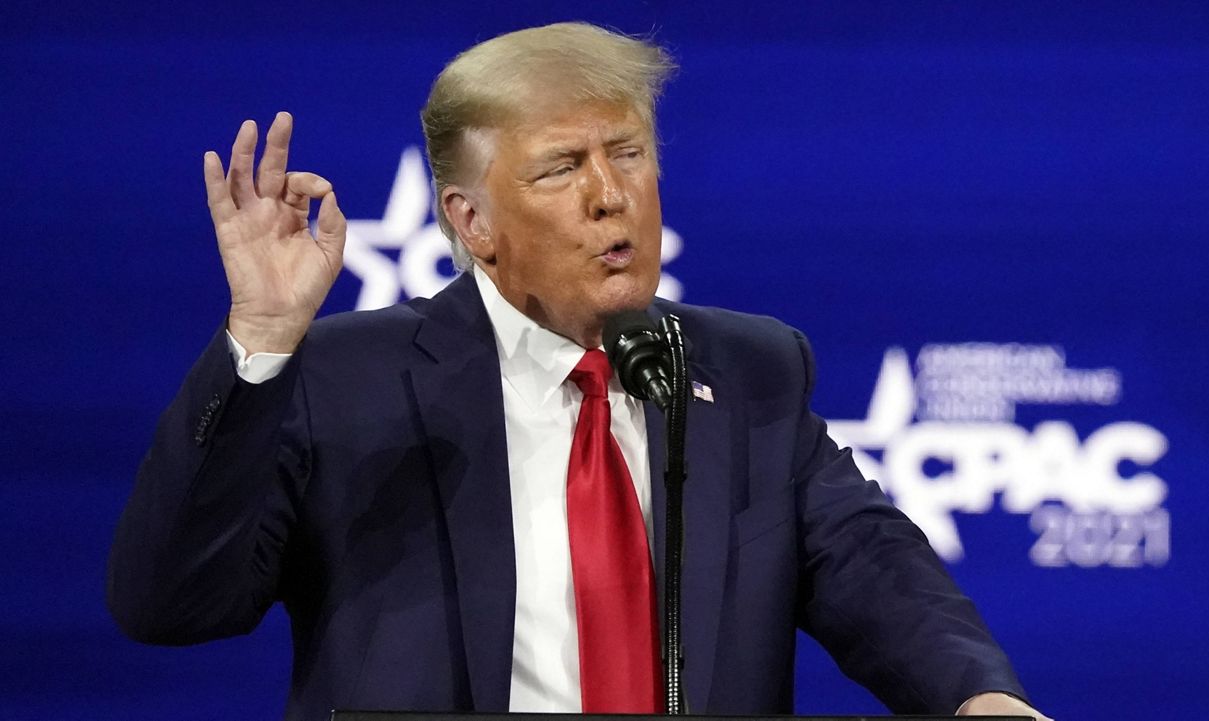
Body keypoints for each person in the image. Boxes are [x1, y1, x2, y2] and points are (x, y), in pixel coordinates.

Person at [108, 22, 1052, 721]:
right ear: (471, 221)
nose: (611, 196)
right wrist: (264, 338)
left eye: (629, 154)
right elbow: (171, 604)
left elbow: (873, 566)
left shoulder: (749, 369)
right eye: (561, 168)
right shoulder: (346, 379)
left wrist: (978, 695)